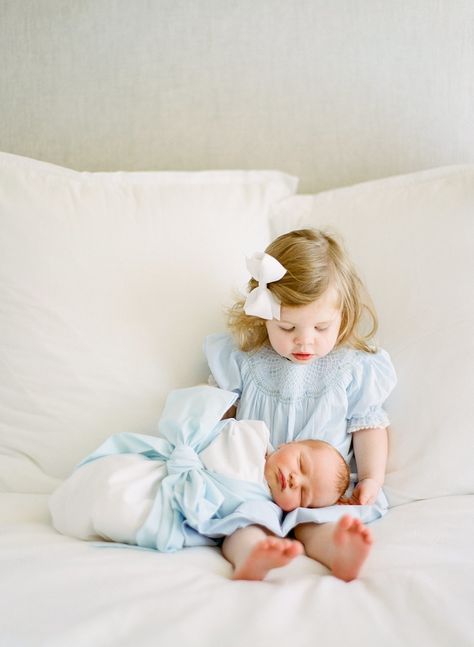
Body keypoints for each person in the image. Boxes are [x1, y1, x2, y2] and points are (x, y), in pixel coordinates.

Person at [204, 228, 397, 581]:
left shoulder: (352, 367)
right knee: (241, 521)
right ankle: (252, 553)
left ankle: (338, 551)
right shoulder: (246, 359)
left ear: (344, 315)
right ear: (264, 316)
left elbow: (368, 425)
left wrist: (371, 478)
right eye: (287, 327)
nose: (304, 340)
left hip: (317, 493)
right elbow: (217, 417)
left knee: (316, 524)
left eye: (321, 327)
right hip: (254, 482)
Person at [49, 385, 352, 581]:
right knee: (114, 486)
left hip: (188, 510)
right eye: (300, 464)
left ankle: (252, 557)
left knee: (247, 530)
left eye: (303, 493)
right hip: (164, 477)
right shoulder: (251, 435)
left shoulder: (265, 506)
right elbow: (206, 433)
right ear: (289, 443)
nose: (294, 480)